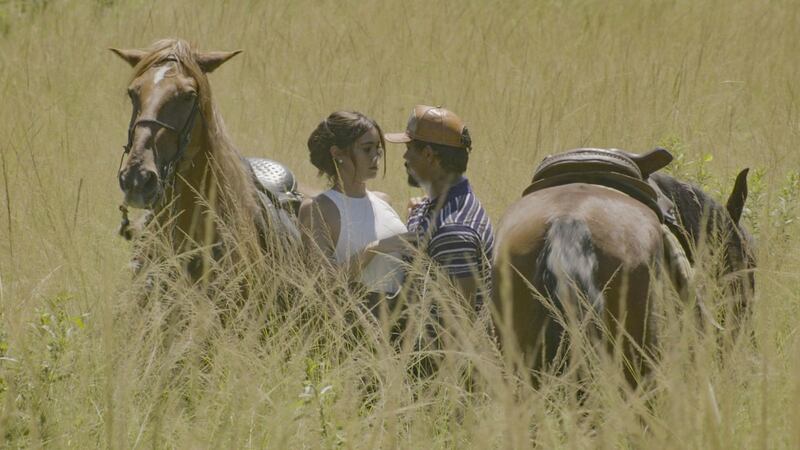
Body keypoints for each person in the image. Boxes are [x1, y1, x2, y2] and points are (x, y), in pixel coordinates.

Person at [299, 111, 416, 314]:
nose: (375, 157)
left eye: (378, 149)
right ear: (337, 153)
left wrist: (417, 216)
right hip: (350, 325)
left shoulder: (383, 200)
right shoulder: (318, 209)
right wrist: (373, 249)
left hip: (399, 321)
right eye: (366, 149)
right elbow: (323, 283)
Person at [384, 105, 494, 310]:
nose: (405, 158)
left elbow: (457, 324)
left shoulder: (453, 231)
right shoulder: (435, 205)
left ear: (428, 154)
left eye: (409, 149)